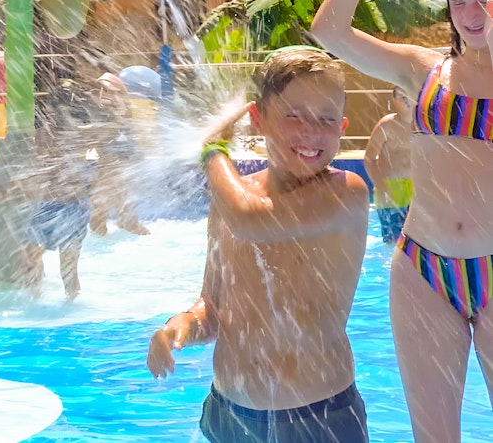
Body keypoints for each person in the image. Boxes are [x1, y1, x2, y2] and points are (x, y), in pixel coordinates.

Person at [311, 0, 493, 443]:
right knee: (433, 436)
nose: (470, 13)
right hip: (423, 270)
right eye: (458, 0)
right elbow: (328, 31)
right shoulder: (423, 70)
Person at [146, 48, 371, 443]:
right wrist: (181, 324)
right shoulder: (232, 201)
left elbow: (254, 219)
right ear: (257, 119)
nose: (311, 131)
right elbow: (214, 306)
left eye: (327, 118)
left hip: (316, 418)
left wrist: (213, 151)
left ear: (342, 127)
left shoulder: (345, 194)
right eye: (293, 115)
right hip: (229, 415)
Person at [21, 81, 98, 301]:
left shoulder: (82, 134)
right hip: (45, 204)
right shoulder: (42, 134)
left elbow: (105, 133)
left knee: (67, 265)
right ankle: (34, 303)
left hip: (73, 205)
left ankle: (70, 306)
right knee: (35, 257)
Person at [89, 72, 151, 237]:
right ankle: (111, 223)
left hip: (122, 154)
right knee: (105, 194)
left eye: (107, 91)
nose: (103, 94)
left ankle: (124, 221)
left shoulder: (120, 106)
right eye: (102, 91)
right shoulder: (107, 108)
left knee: (118, 190)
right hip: (114, 155)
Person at [363, 87, 414, 243]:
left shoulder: (423, 127)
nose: (405, 98)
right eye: (400, 95)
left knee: (416, 242)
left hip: (416, 189)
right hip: (391, 189)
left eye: (408, 94)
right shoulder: (387, 126)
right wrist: (380, 184)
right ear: (393, 101)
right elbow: (369, 158)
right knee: (393, 242)